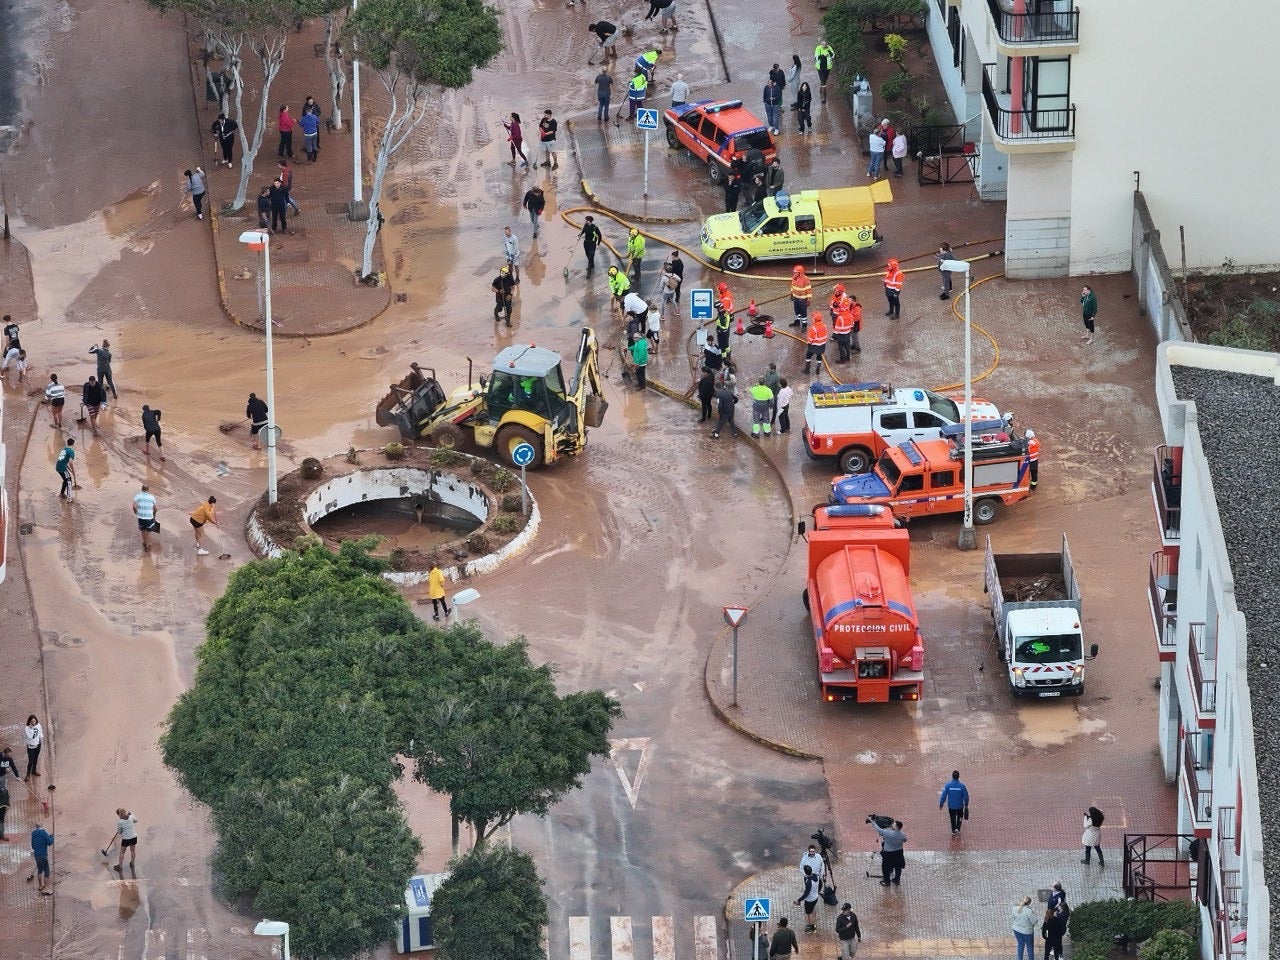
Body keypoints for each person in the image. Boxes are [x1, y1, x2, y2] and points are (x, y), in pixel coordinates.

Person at [871, 818, 907, 886]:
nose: (892, 824)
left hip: (888, 854)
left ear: (896, 827)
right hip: (899, 852)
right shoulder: (902, 834)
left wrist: (873, 823)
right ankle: (897, 880)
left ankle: (887, 881)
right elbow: (905, 840)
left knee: (886, 868)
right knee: (898, 866)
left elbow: (879, 829)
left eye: (894, 824)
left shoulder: (887, 833)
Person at [109, 808, 140, 873]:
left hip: (126, 838)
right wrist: (131, 816)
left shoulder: (120, 822)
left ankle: (119, 866)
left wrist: (122, 828)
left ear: (119, 815)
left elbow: (120, 832)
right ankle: (132, 863)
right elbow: (136, 821)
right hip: (133, 837)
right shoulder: (131, 816)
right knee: (133, 850)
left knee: (122, 852)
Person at [939, 770, 970, 835]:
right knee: (960, 817)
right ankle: (958, 829)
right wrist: (966, 804)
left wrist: (941, 803)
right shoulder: (962, 786)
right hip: (959, 806)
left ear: (952, 776)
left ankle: (953, 830)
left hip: (951, 806)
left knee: (952, 818)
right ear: (958, 777)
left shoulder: (948, 785)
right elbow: (966, 797)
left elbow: (944, 795)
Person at [794, 864, 820, 932]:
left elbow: (806, 893)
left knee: (809, 913)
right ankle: (812, 924)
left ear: (805, 872)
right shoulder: (815, 876)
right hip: (815, 897)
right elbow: (820, 884)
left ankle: (812, 928)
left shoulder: (809, 882)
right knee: (812, 910)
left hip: (810, 900)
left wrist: (799, 900)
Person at [134, 484, 159, 552]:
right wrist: (153, 515)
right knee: (148, 532)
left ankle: (145, 543)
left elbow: (134, 506)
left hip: (141, 517)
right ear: (148, 490)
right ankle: (147, 546)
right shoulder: (151, 497)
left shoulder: (138, 496)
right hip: (149, 517)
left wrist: (136, 512)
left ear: (142, 489)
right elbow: (155, 508)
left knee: (143, 530)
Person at [1011, 896, 1037, 960]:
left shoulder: (1015, 908)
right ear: (1029, 903)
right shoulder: (1029, 911)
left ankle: (1019, 958)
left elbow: (1013, 917)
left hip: (1016, 930)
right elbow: (1034, 921)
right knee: (1030, 946)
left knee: (1020, 944)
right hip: (1027, 932)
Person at [30, 821, 53, 894]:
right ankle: (47, 889)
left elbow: (33, 846)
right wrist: (52, 837)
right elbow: (49, 843)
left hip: (37, 855)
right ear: (41, 826)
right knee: (47, 871)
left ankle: (40, 886)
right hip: (43, 855)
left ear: (36, 827)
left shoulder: (33, 835)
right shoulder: (44, 833)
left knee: (40, 870)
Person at [712, 375, 738, 439]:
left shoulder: (719, 395)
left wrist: (719, 412)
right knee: (731, 421)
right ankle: (735, 433)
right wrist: (732, 404)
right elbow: (736, 399)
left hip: (724, 411)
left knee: (720, 422)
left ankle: (716, 435)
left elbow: (720, 405)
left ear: (717, 388)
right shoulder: (729, 392)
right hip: (731, 409)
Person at [832, 298, 854, 362]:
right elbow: (852, 324)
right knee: (847, 345)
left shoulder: (840, 318)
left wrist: (836, 334)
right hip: (848, 333)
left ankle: (842, 359)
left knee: (841, 347)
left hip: (841, 334)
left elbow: (837, 329)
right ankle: (848, 357)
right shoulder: (850, 315)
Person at [24, 715, 43, 780]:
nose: (33, 722)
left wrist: (41, 737)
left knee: (36, 759)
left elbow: (40, 732)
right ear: (29, 721)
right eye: (31, 721)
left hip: (38, 745)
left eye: (34, 720)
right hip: (31, 747)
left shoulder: (38, 725)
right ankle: (28, 774)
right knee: (31, 761)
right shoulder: (27, 728)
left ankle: (34, 770)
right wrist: (31, 728)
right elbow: (30, 736)